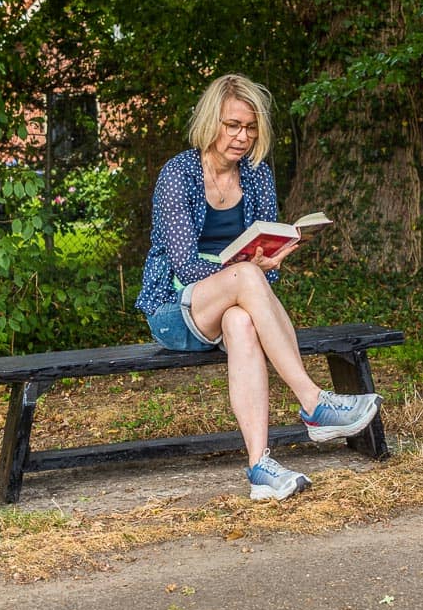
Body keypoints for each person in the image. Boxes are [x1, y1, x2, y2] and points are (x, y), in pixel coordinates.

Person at [136, 74, 381, 502]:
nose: (242, 136)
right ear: (211, 122)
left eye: (250, 127)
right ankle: (312, 402)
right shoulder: (178, 174)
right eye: (232, 125)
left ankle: (259, 467)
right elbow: (185, 266)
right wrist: (245, 270)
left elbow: (261, 265)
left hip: (229, 304)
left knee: (241, 320)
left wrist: (269, 260)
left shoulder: (256, 175)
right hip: (175, 310)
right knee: (245, 279)